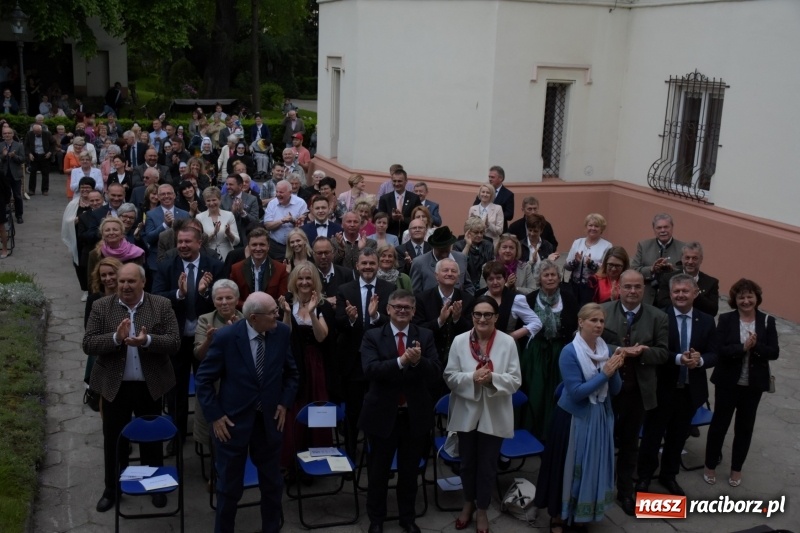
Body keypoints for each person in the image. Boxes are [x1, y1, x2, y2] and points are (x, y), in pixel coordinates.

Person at [196, 292, 299, 533]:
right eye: (273, 313)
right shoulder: (226, 338)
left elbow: (292, 373)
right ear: (253, 317)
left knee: (272, 486)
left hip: (269, 422)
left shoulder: (281, 333)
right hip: (232, 425)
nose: (278, 316)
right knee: (229, 489)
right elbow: (203, 380)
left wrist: (284, 403)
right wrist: (215, 415)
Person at [83, 263, 180, 513]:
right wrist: (116, 338)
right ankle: (112, 489)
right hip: (115, 386)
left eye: (131, 281)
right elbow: (88, 343)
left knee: (151, 439)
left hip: (150, 385)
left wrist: (146, 341)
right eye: (122, 281)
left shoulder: (161, 305)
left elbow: (174, 342)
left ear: (143, 283)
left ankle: (154, 486)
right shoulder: (101, 306)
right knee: (114, 440)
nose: (125, 286)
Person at [533, 303, 625, 531]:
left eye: (602, 321)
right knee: (568, 467)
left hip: (599, 416)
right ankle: (558, 516)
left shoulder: (606, 349)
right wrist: (605, 373)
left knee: (592, 466)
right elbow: (576, 393)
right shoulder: (569, 352)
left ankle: (582, 512)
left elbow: (615, 390)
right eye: (593, 320)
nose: (599, 325)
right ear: (580, 322)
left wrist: (612, 371)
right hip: (574, 418)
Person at [360, 289, 441, 533]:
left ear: (414, 311)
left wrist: (418, 361)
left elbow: (436, 372)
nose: (402, 310)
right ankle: (376, 519)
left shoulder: (424, 336)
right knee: (378, 472)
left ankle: (408, 518)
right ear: (388, 309)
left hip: (414, 416)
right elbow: (371, 371)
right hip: (382, 416)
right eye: (397, 307)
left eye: (407, 307)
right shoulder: (372, 336)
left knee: (409, 472)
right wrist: (401, 362)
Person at [444, 295, 522, 533]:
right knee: (467, 464)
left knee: (487, 466)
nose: (482, 319)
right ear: (472, 317)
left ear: (496, 317)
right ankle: (467, 504)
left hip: (494, 414)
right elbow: (449, 376)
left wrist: (492, 380)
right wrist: (471, 378)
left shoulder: (507, 342)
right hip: (466, 412)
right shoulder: (459, 341)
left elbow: (516, 380)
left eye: (488, 314)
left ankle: (482, 510)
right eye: (478, 314)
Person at [637, 274, 718, 497]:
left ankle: (669, 476)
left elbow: (715, 353)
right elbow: (651, 350)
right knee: (652, 436)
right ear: (670, 294)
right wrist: (677, 359)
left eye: (685, 291)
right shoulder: (658, 316)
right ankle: (644, 476)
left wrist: (700, 360)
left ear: (695, 293)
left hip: (690, 391)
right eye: (676, 291)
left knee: (678, 437)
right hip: (662, 388)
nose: (680, 295)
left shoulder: (707, 320)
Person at [600, 269, 669, 516]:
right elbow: (588, 342)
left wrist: (642, 352)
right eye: (627, 286)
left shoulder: (658, 317)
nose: (632, 291)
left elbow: (663, 353)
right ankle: (598, 488)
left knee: (630, 443)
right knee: (603, 440)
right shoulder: (603, 311)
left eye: (637, 287)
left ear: (644, 289)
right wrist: (620, 350)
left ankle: (625, 492)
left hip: (638, 391)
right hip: (606, 390)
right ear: (618, 287)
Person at [152, 226, 227, 440]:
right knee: (176, 391)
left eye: (187, 242)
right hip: (177, 338)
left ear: (199, 243)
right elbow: (156, 297)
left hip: (206, 338)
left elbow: (223, 301)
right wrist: (179, 293)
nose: (183, 246)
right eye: (180, 242)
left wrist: (203, 293)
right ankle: (177, 436)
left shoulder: (215, 266)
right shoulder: (167, 266)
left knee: (209, 387)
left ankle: (208, 435)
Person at [704, 278, 779, 488]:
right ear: (734, 300)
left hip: (753, 385)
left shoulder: (767, 321)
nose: (746, 300)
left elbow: (774, 352)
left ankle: (736, 469)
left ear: (757, 298)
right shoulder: (726, 319)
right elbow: (719, 350)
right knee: (720, 424)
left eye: (749, 296)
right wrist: (743, 347)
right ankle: (710, 465)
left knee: (745, 428)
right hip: (728, 382)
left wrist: (755, 347)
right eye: (741, 297)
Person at [277, 262, 337, 467]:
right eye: (300, 278)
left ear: (314, 281)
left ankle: (318, 458)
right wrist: (286, 314)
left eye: (308, 278)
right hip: (292, 363)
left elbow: (322, 338)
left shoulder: (323, 305)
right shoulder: (286, 301)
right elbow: (283, 337)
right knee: (294, 408)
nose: (304, 282)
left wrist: (311, 312)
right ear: (294, 280)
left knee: (318, 406)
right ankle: (293, 460)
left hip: (316, 364)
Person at [335, 248, 394, 456]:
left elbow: (394, 323)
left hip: (380, 360)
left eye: (371, 263)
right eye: (364, 263)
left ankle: (377, 453)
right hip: (353, 361)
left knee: (379, 410)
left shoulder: (389, 289)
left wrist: (376, 315)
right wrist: (351, 319)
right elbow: (338, 322)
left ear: (377, 265)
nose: (368, 267)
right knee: (353, 411)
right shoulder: (345, 289)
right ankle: (351, 453)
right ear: (357, 266)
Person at [521, 260, 579, 441]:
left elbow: (575, 325)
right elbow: (521, 327)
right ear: (539, 278)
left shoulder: (568, 298)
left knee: (557, 391)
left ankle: (554, 434)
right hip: (536, 352)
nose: (550, 278)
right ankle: (532, 433)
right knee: (536, 392)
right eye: (546, 275)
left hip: (560, 351)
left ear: (559, 277)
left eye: (554, 274)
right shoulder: (530, 299)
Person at [193, 279, 244, 473]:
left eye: (228, 298)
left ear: (237, 300)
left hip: (238, 385)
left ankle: (235, 469)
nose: (224, 302)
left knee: (236, 428)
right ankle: (215, 471)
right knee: (214, 430)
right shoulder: (205, 320)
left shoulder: (246, 320)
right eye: (219, 298)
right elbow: (199, 354)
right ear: (214, 301)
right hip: (212, 385)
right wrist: (209, 341)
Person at [412, 258, 474, 367]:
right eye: (445, 270)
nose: (449, 274)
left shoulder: (468, 299)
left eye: (453, 271)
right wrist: (439, 321)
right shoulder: (422, 298)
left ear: (458, 276)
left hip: (459, 359)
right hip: (430, 358)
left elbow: (472, 330)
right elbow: (417, 329)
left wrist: (457, 319)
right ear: (436, 275)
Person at [82, 257, 123, 411]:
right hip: (103, 353)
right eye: (103, 275)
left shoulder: (128, 296)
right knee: (104, 397)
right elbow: (89, 329)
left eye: (112, 274)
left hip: (126, 351)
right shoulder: (94, 299)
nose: (108, 278)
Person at [477, 261, 542, 343]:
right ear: (486, 281)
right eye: (491, 279)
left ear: (505, 279)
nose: (495, 282)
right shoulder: (480, 298)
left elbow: (536, 323)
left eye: (498, 278)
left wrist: (512, 336)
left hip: (507, 347)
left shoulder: (516, 299)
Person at [631, 213, 686, 304]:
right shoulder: (643, 246)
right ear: (654, 229)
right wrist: (651, 269)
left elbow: (688, 274)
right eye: (659, 228)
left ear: (672, 227)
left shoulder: (683, 248)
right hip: (647, 298)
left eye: (666, 227)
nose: (663, 230)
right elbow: (633, 270)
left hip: (672, 299)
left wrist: (672, 271)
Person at [655, 241, 720, 316]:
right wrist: (684, 304)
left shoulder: (711, 282)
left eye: (695, 258)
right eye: (687, 258)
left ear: (701, 259)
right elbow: (661, 303)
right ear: (682, 258)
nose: (690, 261)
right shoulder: (668, 278)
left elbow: (713, 310)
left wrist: (696, 294)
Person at [229, 228, 289, 308]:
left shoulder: (280, 269)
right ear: (248, 247)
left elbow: (282, 299)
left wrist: (263, 308)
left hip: (271, 314)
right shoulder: (236, 269)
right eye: (254, 245)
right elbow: (233, 298)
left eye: (262, 244)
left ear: (268, 246)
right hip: (244, 314)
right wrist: (249, 307)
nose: (258, 248)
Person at [61, 178, 101, 293]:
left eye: (87, 187)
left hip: (94, 239)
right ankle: (84, 288)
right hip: (78, 238)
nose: (84, 190)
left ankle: (95, 287)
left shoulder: (97, 202)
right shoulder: (73, 204)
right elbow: (66, 221)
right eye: (82, 187)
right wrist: (76, 220)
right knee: (79, 264)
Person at [564, 213, 613, 305]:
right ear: (586, 227)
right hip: (574, 287)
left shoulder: (607, 246)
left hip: (594, 288)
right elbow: (566, 266)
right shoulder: (577, 242)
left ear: (602, 229)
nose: (593, 228)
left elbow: (607, 270)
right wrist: (576, 262)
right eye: (590, 225)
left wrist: (591, 264)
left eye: (596, 226)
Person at [410, 226, 473, 295]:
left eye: (446, 249)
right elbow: (415, 293)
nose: (444, 254)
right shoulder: (419, 263)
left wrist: (467, 302)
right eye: (441, 250)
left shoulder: (460, 258)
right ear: (433, 246)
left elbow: (468, 285)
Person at [263, 180, 308, 260]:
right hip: (276, 246)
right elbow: (267, 226)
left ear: (290, 192)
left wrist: (292, 220)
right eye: (277, 192)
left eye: (281, 192)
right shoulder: (272, 204)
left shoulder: (301, 203)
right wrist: (282, 221)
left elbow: (303, 226)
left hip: (295, 246)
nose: (278, 195)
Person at [196, 186, 239, 261]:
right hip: (207, 255)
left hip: (227, 255)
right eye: (208, 201)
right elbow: (199, 241)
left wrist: (228, 233)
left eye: (214, 200)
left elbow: (236, 241)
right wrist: (213, 233)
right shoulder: (199, 217)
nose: (211, 203)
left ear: (220, 200)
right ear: (205, 202)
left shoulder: (229, 215)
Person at [377, 168, 421, 238]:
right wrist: (392, 218)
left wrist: (403, 219)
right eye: (394, 181)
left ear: (406, 181)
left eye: (399, 181)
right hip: (389, 235)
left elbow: (417, 218)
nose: (396, 184)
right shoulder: (385, 198)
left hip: (409, 236)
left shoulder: (414, 198)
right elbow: (379, 219)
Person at [312, 236, 353, 309]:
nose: (323, 256)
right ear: (313, 254)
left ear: (333, 253)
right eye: (319, 253)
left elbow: (351, 300)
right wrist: (325, 301)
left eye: (326, 252)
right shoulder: (308, 275)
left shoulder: (346, 274)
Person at [221, 173, 260, 248]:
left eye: (231, 184)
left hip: (246, 240)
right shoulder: (222, 199)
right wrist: (232, 213)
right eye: (227, 184)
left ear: (240, 186)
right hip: (228, 240)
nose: (228, 187)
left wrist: (242, 212)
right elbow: (221, 221)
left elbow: (255, 221)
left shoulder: (252, 199)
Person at [453, 217, 495, 285]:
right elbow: (460, 265)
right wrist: (468, 245)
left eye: (481, 232)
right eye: (476, 232)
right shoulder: (458, 245)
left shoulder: (488, 245)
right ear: (467, 232)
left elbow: (491, 265)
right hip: (465, 282)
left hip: (484, 282)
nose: (480, 235)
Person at [472, 166, 514, 232]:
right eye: (489, 177)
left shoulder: (508, 194)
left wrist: (495, 214)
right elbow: (475, 207)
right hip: (480, 231)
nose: (490, 179)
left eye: (492, 177)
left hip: (498, 232)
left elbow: (509, 215)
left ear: (501, 178)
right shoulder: (483, 192)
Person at [1, 125, 25, 224]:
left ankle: (19, 215)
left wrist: (14, 156)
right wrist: (3, 156)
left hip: (15, 174)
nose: (7, 135)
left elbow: (23, 159)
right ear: (2, 135)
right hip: (3, 175)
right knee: (4, 196)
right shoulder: (0, 145)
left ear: (12, 134)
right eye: (5, 133)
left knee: (17, 196)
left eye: (9, 133)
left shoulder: (19, 145)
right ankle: (4, 214)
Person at [24, 123, 55, 196]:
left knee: (45, 173)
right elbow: (26, 145)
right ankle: (31, 190)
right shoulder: (29, 134)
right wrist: (29, 154)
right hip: (34, 155)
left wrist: (50, 152)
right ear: (33, 131)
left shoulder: (47, 134)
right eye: (36, 132)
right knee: (32, 173)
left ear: (41, 130)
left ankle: (45, 190)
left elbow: (53, 143)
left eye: (39, 132)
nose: (38, 133)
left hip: (45, 155)